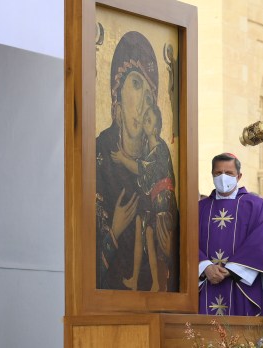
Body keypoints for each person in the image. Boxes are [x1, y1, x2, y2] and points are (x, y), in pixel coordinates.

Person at [95, 31, 178, 291]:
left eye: (150, 93)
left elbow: (170, 228)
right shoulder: (100, 152)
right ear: (117, 92)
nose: (143, 101)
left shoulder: (159, 157)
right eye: (135, 84)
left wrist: (169, 245)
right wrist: (114, 230)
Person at [198, 153, 263, 316]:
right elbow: (188, 243)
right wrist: (205, 266)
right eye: (218, 173)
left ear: (239, 176)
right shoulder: (200, 208)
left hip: (241, 286)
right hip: (206, 282)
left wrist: (231, 270)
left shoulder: (254, 205)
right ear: (212, 175)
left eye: (228, 173)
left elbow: (260, 242)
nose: (223, 177)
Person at [111, 104, 177, 292]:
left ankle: (158, 282)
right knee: (142, 229)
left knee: (154, 237)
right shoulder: (147, 148)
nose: (144, 123)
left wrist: (123, 159)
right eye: (144, 118)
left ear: (155, 128)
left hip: (162, 202)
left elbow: (145, 170)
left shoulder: (160, 148)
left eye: (148, 121)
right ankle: (135, 278)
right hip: (152, 199)